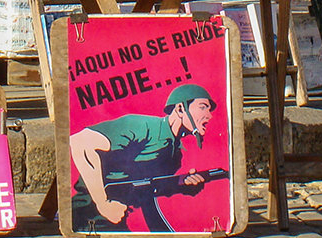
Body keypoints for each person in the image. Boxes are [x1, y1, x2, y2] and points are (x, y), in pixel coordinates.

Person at [69, 85, 218, 232]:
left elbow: (147, 186)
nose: (209, 115)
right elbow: (80, 142)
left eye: (209, 109)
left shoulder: (175, 155)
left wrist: (181, 182)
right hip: (88, 215)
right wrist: (103, 203)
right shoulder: (143, 127)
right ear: (180, 109)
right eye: (203, 107)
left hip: (118, 218)